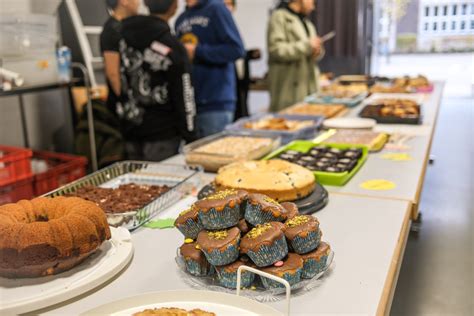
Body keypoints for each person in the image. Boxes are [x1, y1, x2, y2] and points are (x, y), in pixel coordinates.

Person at [117, 0, 197, 161]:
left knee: (134, 184)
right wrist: (190, 136)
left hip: (129, 127)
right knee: (163, 184)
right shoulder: (172, 46)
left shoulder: (122, 36)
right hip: (163, 134)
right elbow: (184, 92)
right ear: (174, 7)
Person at [175, 0, 245, 137]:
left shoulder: (216, 8)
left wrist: (198, 51)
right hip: (191, 104)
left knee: (214, 155)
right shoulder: (181, 19)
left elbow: (236, 49)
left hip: (215, 102)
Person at [267, 0, 324, 112]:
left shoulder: (307, 23)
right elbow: (276, 50)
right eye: (312, 1)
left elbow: (310, 51)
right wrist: (307, 46)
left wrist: (317, 51)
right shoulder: (279, 17)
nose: (313, 7)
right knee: (287, 122)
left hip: (308, 87)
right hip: (289, 88)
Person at [223, 0, 262, 120]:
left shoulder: (233, 26)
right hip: (227, 84)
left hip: (242, 82)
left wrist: (249, 54)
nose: (227, 7)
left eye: (229, 4)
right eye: (224, 4)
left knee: (243, 111)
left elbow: (237, 53)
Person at [100, 0, 140, 113]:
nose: (138, 2)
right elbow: (112, 73)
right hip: (123, 106)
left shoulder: (127, 26)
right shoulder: (112, 29)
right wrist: (125, 103)